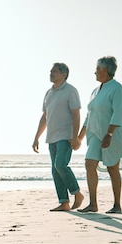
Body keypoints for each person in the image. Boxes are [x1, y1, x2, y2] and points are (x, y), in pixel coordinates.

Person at [78, 56, 122, 213]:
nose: (95, 72)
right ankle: (93, 204)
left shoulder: (117, 88)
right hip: (95, 135)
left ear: (105, 70)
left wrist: (109, 134)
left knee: (112, 168)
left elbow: (119, 113)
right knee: (89, 164)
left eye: (97, 69)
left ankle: (117, 205)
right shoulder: (95, 91)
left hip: (112, 134)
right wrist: (80, 136)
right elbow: (89, 116)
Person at [32, 63, 85, 212]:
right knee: (55, 170)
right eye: (51, 71)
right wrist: (37, 137)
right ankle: (64, 202)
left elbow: (76, 114)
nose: (51, 73)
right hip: (51, 137)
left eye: (54, 71)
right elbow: (45, 116)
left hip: (65, 136)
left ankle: (77, 193)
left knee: (60, 165)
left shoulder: (70, 90)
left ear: (63, 74)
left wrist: (75, 138)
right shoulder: (49, 93)